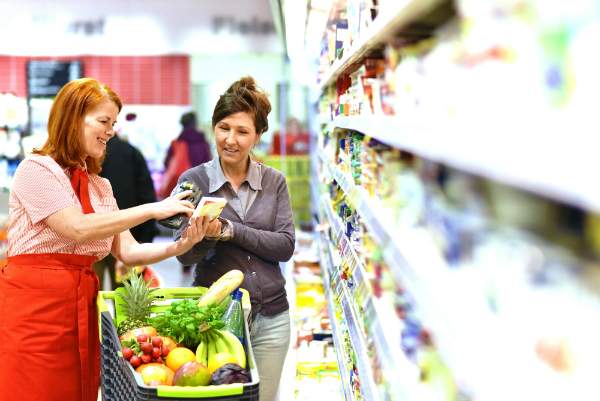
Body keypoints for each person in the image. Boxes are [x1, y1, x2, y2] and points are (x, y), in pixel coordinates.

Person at [0, 77, 216, 401]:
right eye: (104, 121)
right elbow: (76, 228)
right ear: (73, 118)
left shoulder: (100, 186)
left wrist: (181, 245)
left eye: (113, 123)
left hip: (81, 308)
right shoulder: (37, 169)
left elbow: (128, 250)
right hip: (34, 312)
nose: (111, 130)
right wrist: (152, 209)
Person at [174, 76, 295, 401]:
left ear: (257, 135)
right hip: (216, 320)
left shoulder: (274, 182)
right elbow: (183, 256)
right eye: (224, 128)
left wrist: (230, 231)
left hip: (272, 317)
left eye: (242, 132)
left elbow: (285, 245)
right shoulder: (193, 181)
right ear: (213, 126)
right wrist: (204, 238)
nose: (231, 140)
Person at [93, 112, 159, 290]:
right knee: (125, 304)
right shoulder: (131, 153)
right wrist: (144, 241)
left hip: (89, 242)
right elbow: (147, 196)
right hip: (127, 240)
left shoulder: (83, 156)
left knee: (89, 300)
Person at [162, 111, 213, 276]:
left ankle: (185, 263)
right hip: (203, 187)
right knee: (203, 220)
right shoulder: (202, 141)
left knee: (185, 222)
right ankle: (203, 258)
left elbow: (167, 163)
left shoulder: (177, 141)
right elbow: (209, 161)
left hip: (185, 187)